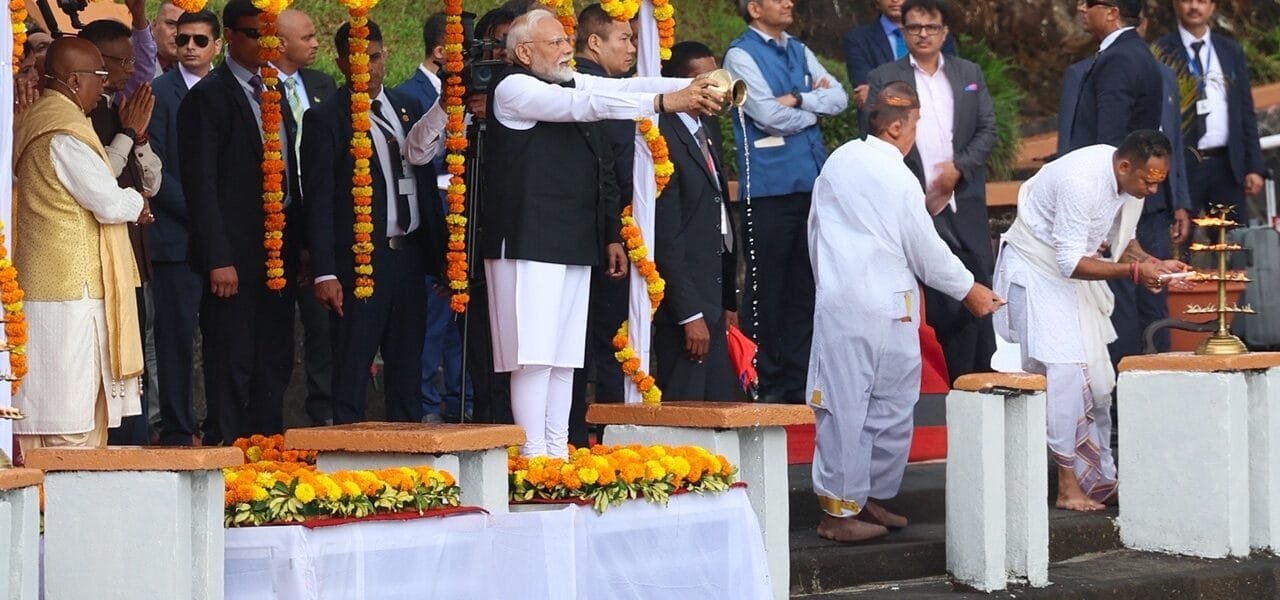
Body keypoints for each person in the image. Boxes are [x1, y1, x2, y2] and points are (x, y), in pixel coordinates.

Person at [485, 9, 724, 457]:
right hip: (526, 240)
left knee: (564, 359)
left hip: (571, 240)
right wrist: (666, 103)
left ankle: (557, 453)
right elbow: (588, 105)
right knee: (534, 357)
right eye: (555, 43)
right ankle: (533, 454)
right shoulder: (513, 87)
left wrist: (692, 86)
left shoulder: (566, 80)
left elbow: (620, 88)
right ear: (525, 52)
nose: (566, 50)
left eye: (566, 40)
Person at [807, 82, 1004, 543]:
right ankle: (837, 513)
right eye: (915, 124)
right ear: (896, 127)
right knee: (846, 406)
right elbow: (925, 249)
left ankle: (867, 497)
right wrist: (970, 290)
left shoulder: (845, 161)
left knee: (892, 406)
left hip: (887, 305)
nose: (916, 133)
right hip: (854, 304)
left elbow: (814, 233)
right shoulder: (884, 173)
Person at [994, 129, 1187, 511]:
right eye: (1148, 181)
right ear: (1125, 166)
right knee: (1066, 374)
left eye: (1158, 182)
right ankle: (1067, 486)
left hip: (1070, 277)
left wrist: (1154, 263)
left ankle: (1099, 481)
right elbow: (1070, 262)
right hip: (1037, 271)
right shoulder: (1081, 181)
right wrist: (1135, 273)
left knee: (1097, 381)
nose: (1152, 191)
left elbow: (1122, 244)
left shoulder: (1127, 183)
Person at [305, 20, 447, 424]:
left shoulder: (408, 106)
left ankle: (408, 453)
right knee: (352, 367)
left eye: (373, 56)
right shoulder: (325, 118)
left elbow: (425, 185)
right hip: (361, 261)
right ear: (340, 62)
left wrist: (441, 258)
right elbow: (318, 200)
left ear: (384, 55)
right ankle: (349, 451)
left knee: (408, 369)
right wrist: (325, 272)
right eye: (355, 59)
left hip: (409, 256)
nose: (366, 67)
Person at [11, 37, 147, 452]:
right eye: (100, 75)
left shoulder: (39, 117)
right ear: (74, 80)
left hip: (47, 283)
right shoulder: (64, 131)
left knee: (49, 407)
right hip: (72, 291)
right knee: (71, 414)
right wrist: (138, 204)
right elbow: (106, 201)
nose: (104, 85)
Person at [177, 0, 302, 442]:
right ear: (229, 36)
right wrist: (218, 258)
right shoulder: (208, 97)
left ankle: (267, 452)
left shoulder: (275, 89)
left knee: (275, 359)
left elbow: (290, 173)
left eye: (271, 34)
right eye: (254, 33)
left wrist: (301, 246)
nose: (265, 43)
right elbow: (201, 186)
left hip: (278, 251)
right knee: (231, 359)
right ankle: (228, 452)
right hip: (232, 256)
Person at [865, 0, 998, 382]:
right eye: (914, 27)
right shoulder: (885, 77)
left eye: (931, 27)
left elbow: (987, 129)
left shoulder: (967, 72)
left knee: (979, 288)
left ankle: (982, 380)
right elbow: (874, 136)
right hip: (915, 202)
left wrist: (959, 168)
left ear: (945, 31)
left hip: (964, 200)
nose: (923, 34)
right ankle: (944, 384)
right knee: (938, 301)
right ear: (903, 31)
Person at [724, 0, 848, 405]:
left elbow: (839, 98)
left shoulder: (798, 48)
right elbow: (767, 115)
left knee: (805, 285)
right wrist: (813, 107)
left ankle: (798, 378)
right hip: (768, 187)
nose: (788, 3)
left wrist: (797, 98)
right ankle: (763, 379)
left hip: (810, 182)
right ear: (754, 8)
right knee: (766, 286)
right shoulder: (740, 54)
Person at [79, 18, 163, 446]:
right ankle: (117, 444)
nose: (131, 70)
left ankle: (137, 441)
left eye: (132, 61)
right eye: (122, 61)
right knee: (112, 358)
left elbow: (152, 183)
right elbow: (99, 181)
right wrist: (127, 133)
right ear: (95, 60)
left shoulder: (118, 107)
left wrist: (139, 137)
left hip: (134, 255)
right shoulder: (81, 117)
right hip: (102, 260)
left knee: (140, 355)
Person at [396, 11, 474, 424]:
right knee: (434, 321)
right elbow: (418, 158)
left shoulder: (481, 92)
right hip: (435, 220)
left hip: (469, 219)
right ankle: (427, 407)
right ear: (442, 52)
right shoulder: (409, 95)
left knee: (463, 323)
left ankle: (464, 402)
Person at [149, 9, 222, 445]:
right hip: (177, 238)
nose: (190, 47)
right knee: (175, 339)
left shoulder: (230, 90)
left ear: (217, 45)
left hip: (224, 242)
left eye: (200, 40)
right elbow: (154, 170)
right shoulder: (158, 93)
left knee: (224, 337)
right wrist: (205, 215)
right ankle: (178, 427)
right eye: (183, 40)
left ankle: (222, 425)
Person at [653, 42, 741, 401]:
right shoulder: (661, 135)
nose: (719, 86)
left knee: (721, 403)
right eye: (708, 79)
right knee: (685, 404)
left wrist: (727, 302)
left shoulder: (708, 127)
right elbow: (667, 234)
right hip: (686, 305)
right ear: (682, 84)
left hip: (714, 297)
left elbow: (718, 216)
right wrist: (689, 314)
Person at [567, 3, 637, 445]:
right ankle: (606, 441)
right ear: (594, 42)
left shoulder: (598, 87)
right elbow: (613, 171)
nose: (632, 49)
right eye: (624, 39)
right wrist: (617, 231)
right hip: (603, 237)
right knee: (606, 345)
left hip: (594, 235)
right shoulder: (598, 93)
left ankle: (580, 435)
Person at [274, 7, 339, 427]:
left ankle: (324, 417)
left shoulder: (321, 85)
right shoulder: (260, 87)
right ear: (279, 43)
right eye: (308, 37)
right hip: (274, 220)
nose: (316, 43)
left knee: (323, 330)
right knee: (276, 335)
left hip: (318, 215)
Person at [1156, 0, 1266, 221]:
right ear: (1175, 5)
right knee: (1180, 236)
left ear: (1213, 7)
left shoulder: (1230, 51)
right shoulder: (1162, 51)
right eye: (1187, 1)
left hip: (1226, 166)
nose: (1194, 7)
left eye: (1202, 1)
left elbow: (1245, 111)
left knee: (1231, 237)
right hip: (1185, 167)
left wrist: (1254, 166)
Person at [843, 0, 957, 108]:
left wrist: (885, 96)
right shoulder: (857, 39)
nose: (895, 0)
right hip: (883, 120)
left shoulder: (937, 35)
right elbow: (866, 94)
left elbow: (947, 84)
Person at [152, 1, 184, 73]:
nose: (177, 34)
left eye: (184, 26)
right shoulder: (132, 61)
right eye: (170, 24)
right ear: (154, 25)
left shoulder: (203, 70)